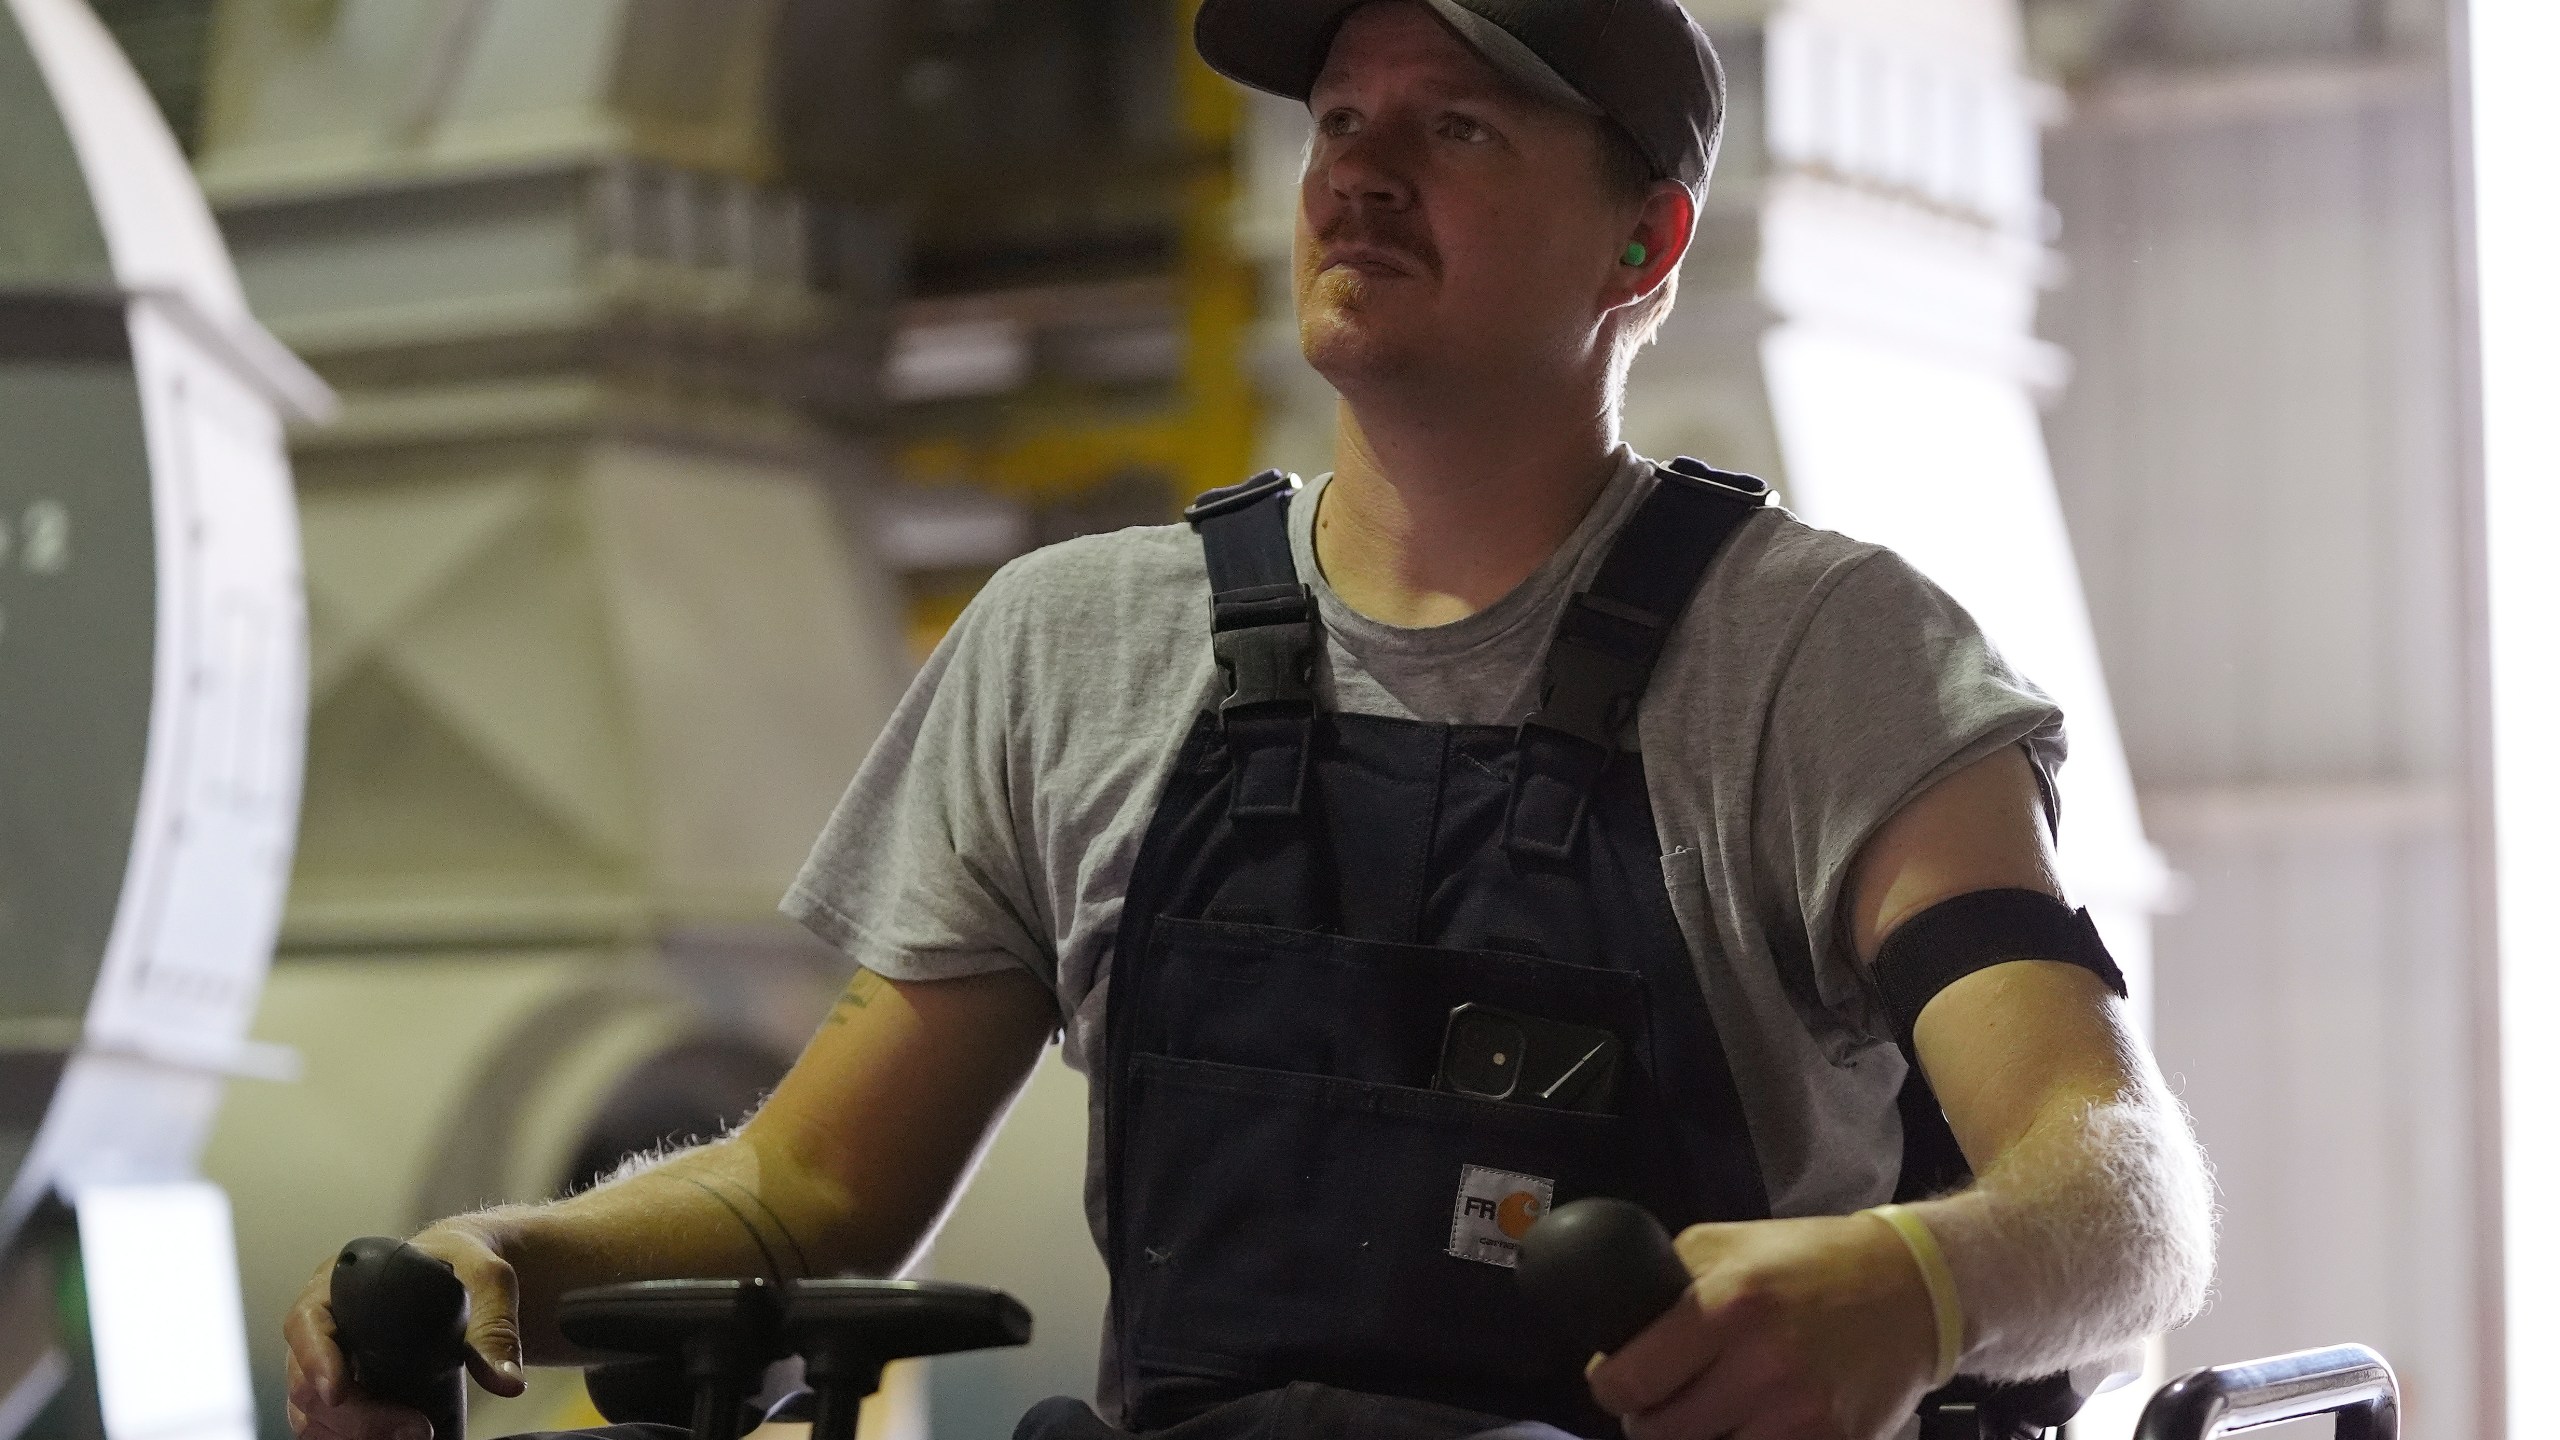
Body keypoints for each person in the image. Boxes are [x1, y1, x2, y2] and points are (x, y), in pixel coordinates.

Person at [283, 1, 2214, 1437]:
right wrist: (517, 1260)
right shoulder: (1076, 648)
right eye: (1342, 116)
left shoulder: (1830, 660)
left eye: (1457, 124)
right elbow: (811, 1191)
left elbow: (2121, 1198)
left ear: (1645, 247)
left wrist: (1918, 1281)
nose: (1359, 169)